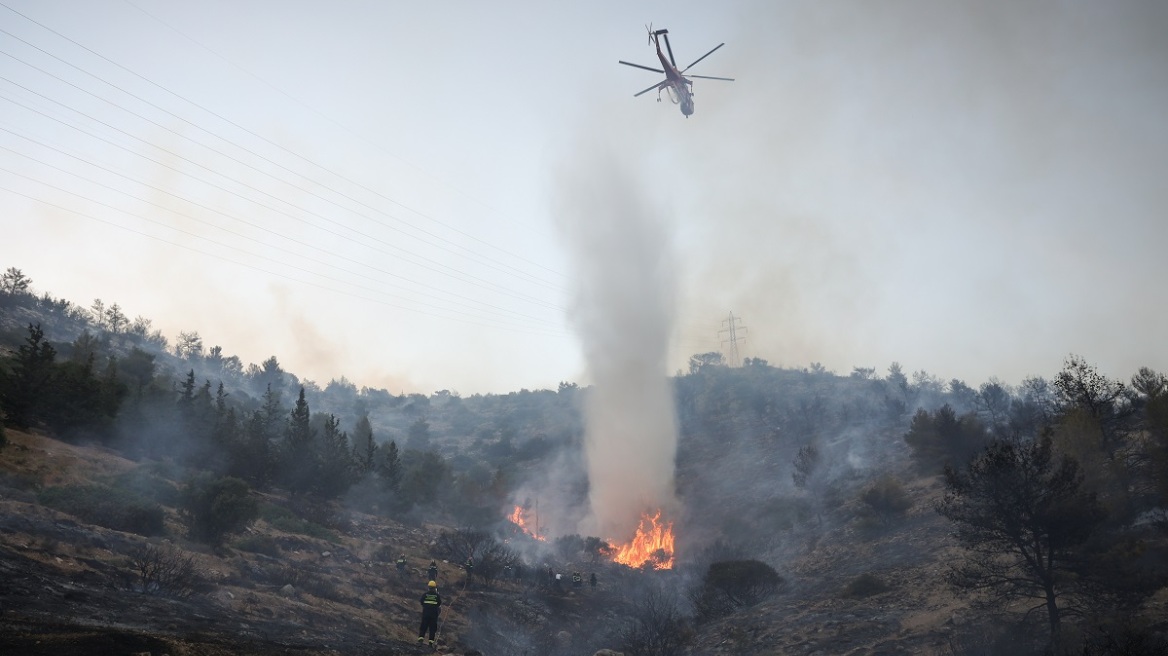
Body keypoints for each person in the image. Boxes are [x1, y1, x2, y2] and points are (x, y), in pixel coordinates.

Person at [417, 580, 441, 647]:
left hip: (425, 614)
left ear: (428, 587)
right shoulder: (437, 596)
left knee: (423, 627)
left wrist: (426, 606)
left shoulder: (425, 595)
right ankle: (430, 644)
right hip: (433, 615)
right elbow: (439, 603)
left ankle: (420, 641)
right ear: (434, 588)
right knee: (432, 629)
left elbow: (421, 602)